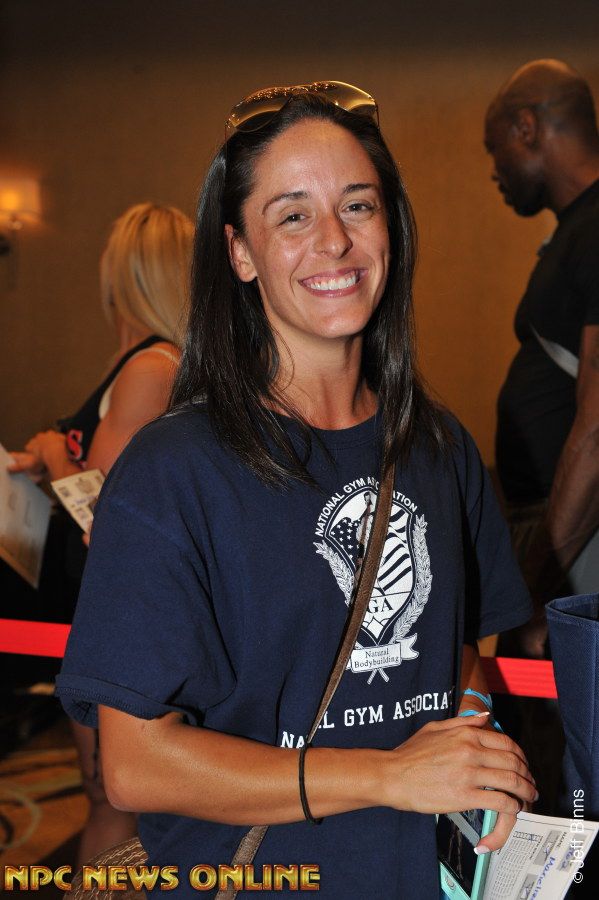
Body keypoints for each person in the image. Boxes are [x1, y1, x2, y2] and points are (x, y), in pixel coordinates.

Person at [57, 82, 535, 898]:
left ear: (390, 229)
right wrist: (386, 775)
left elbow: (451, 654)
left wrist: (477, 750)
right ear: (240, 252)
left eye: (357, 205)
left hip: (422, 878)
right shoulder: (175, 471)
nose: (334, 240)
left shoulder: (436, 446)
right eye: (291, 216)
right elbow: (135, 765)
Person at [9, 201, 194, 866]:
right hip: (109, 611)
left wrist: (53, 455)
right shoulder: (150, 363)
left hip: (113, 615)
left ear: (128, 273)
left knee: (112, 803)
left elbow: (107, 515)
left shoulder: (151, 367)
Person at [484, 60, 599, 657]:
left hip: (580, 542)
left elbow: (598, 428)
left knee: (572, 708)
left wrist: (538, 584)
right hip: (562, 535)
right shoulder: (579, 230)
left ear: (527, 127)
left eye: (495, 147)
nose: (494, 170)